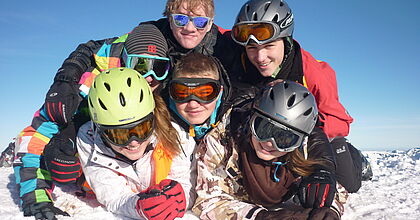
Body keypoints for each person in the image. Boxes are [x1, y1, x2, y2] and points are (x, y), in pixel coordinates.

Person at [12, 24, 174, 219]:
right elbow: (37, 133)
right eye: (140, 65)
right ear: (124, 60)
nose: (149, 77)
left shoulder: (163, 85)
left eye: (158, 68)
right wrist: (36, 195)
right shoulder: (88, 85)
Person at [229, 0, 371, 192]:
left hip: (313, 131)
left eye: (269, 46)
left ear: (285, 39)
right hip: (269, 131)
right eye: (252, 48)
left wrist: (307, 139)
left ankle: (358, 159)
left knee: (347, 184)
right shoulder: (240, 60)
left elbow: (337, 121)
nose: (260, 58)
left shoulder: (313, 72)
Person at [193, 81, 341, 220]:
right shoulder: (223, 141)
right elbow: (208, 200)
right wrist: (261, 217)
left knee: (350, 177)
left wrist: (328, 208)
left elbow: (334, 189)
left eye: (284, 138)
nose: (270, 143)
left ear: (299, 142)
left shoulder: (303, 152)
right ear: (251, 119)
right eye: (263, 128)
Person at [77, 67, 196, 219]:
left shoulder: (175, 136)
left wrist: (178, 200)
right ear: (100, 130)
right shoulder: (89, 140)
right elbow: (112, 194)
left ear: (152, 119)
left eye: (142, 130)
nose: (133, 143)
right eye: (119, 135)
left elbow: (187, 184)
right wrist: (138, 207)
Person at [166, 52, 232, 142]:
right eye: (183, 93)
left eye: (204, 93)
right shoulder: (161, 123)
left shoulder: (234, 122)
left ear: (219, 93)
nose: (193, 105)